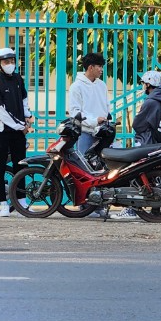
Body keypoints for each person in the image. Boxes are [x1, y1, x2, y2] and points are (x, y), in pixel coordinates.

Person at [66, 51, 135, 220]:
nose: (101, 70)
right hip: (86, 133)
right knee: (85, 170)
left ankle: (101, 204)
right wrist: (93, 120)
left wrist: (108, 119)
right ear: (90, 67)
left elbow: (106, 106)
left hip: (103, 133)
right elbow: (74, 112)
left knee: (104, 170)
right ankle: (86, 205)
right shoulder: (77, 87)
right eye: (99, 67)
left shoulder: (101, 85)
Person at [0, 46, 31, 217]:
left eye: (12, 61)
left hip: (18, 131)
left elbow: (24, 99)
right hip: (1, 132)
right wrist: (20, 126)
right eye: (6, 61)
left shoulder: (18, 80)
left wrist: (28, 116)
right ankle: (3, 203)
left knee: (21, 165)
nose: (10, 64)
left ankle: (21, 203)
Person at [130, 70, 161, 147]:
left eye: (144, 83)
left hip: (148, 143)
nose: (143, 86)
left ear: (148, 84)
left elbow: (136, 125)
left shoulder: (150, 102)